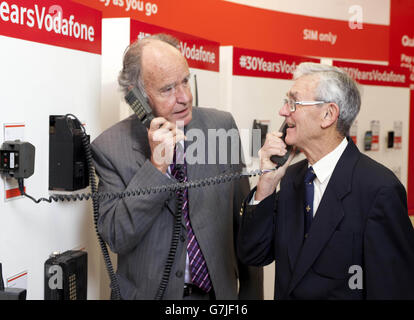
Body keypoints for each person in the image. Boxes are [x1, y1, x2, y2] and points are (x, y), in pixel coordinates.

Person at [91, 34, 263, 300]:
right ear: (137, 97)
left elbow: (243, 223)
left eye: (185, 81)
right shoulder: (110, 148)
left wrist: (251, 296)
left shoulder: (221, 127)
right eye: (167, 89)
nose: (184, 97)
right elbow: (116, 236)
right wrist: (156, 167)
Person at [237, 62, 414, 299]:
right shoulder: (291, 178)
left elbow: (392, 290)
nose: (282, 111)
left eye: (293, 103)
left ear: (328, 115)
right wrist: (267, 183)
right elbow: (254, 254)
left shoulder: (379, 188)